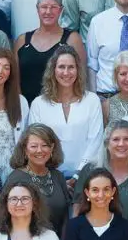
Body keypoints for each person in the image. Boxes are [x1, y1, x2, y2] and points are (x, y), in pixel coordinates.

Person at [30, 44, 105, 173]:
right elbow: (37, 144)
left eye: (71, 67)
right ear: (53, 70)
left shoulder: (92, 101)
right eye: (61, 67)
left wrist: (79, 175)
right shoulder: (38, 104)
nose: (66, 72)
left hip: (85, 176)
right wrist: (55, 177)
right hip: (49, 176)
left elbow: (95, 142)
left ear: (78, 70)